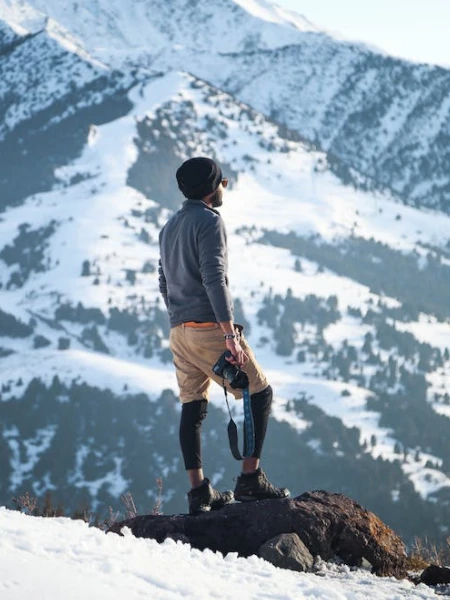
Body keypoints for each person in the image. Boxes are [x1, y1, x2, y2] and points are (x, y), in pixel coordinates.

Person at [158, 156, 290, 515]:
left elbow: (163, 283)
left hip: (178, 332)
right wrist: (229, 334)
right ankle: (250, 479)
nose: (224, 186)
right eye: (222, 182)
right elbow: (215, 278)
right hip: (208, 329)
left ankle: (199, 492)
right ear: (211, 188)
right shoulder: (210, 221)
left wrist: (180, 318)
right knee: (259, 393)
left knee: (193, 406)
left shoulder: (169, 227)